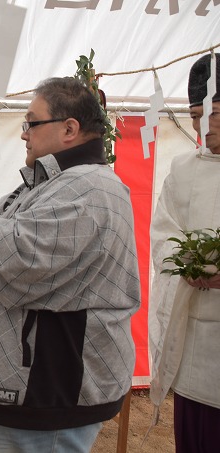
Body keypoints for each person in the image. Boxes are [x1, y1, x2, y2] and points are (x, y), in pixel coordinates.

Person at [0, 76, 140, 452]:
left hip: (47, 394)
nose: (24, 134)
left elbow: (24, 258)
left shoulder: (90, 188)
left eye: (32, 123)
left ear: (69, 128)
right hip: (25, 389)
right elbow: (8, 222)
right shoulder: (56, 181)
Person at [149, 52, 220, 453]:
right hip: (195, 331)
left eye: (215, 114)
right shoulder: (184, 168)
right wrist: (185, 263)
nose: (203, 126)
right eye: (196, 114)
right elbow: (164, 232)